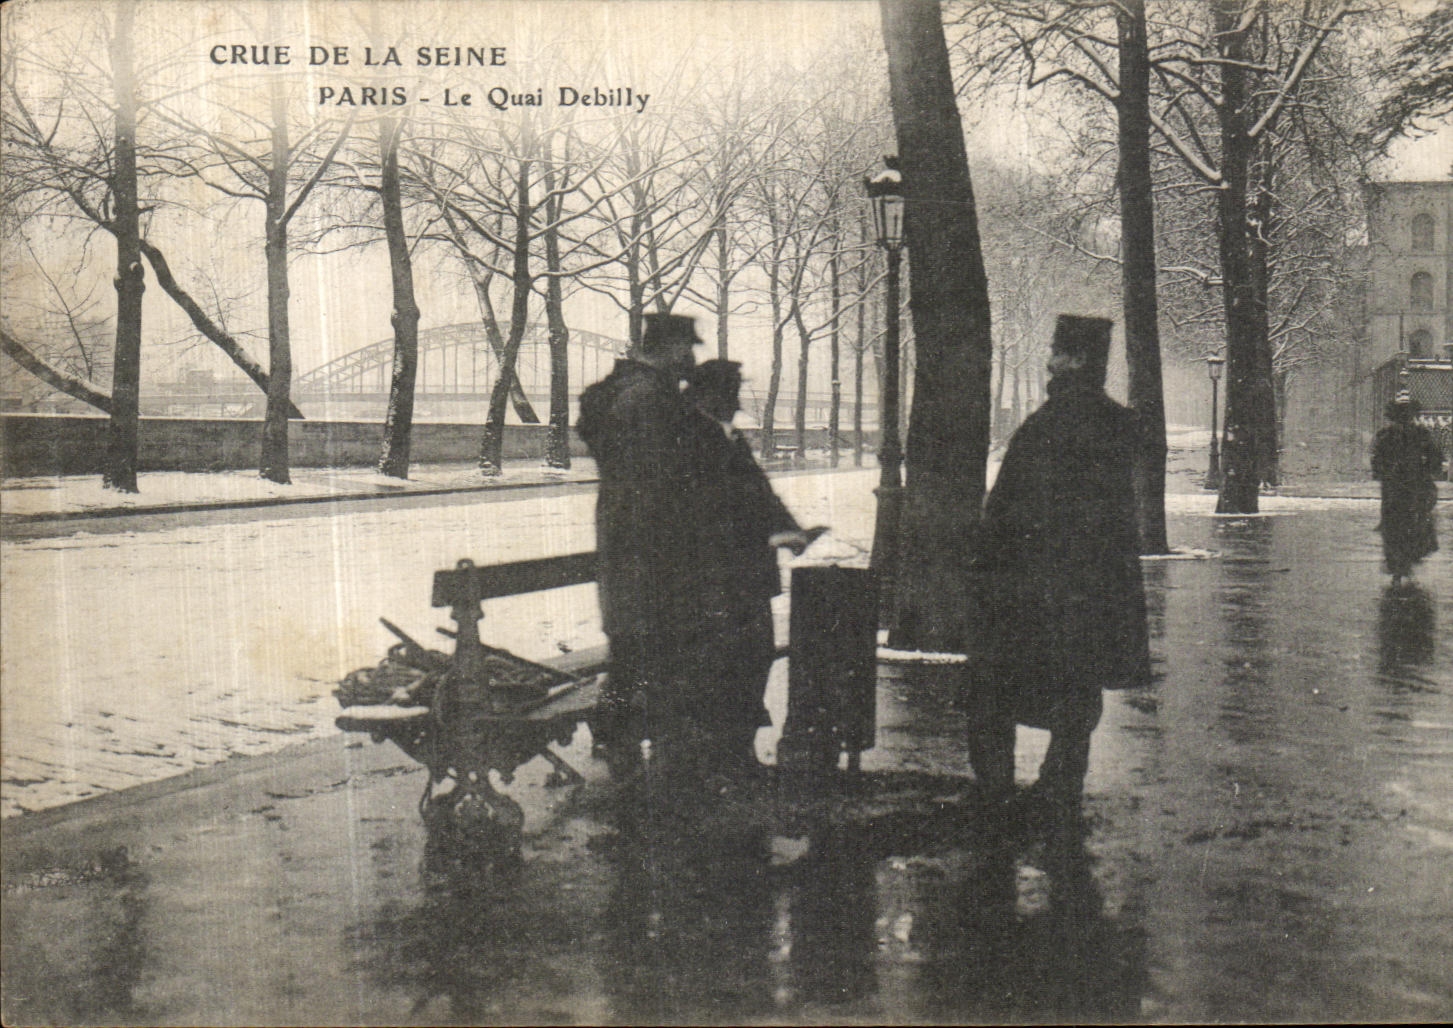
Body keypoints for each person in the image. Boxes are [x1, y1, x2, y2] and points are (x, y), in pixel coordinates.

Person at [967, 314, 1152, 817]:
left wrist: (986, 567)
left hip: (1028, 586)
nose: (1049, 357)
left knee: (993, 692)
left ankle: (995, 792)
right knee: (1077, 692)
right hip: (1091, 590)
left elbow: (1007, 510)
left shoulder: (1044, 426)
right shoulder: (1119, 425)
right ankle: (1059, 788)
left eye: (1056, 350)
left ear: (1071, 360)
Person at [576, 312, 704, 775]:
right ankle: (621, 742)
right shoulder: (647, 398)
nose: (691, 358)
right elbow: (660, 476)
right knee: (644, 645)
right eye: (686, 349)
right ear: (666, 349)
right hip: (650, 543)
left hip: (627, 536)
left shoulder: (625, 392)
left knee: (632, 645)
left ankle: (617, 737)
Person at [683, 359, 813, 773]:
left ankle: (739, 750)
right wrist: (771, 534)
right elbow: (707, 512)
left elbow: (760, 495)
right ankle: (723, 757)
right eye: (731, 391)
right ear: (709, 395)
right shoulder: (689, 439)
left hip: (746, 577)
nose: (737, 400)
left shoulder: (728, 438)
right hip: (715, 581)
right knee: (727, 664)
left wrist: (791, 531)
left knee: (753, 658)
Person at [1371, 390, 1444, 585]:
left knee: (1395, 526)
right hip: (1413, 486)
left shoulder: (1386, 435)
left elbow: (1377, 462)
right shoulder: (1421, 434)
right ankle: (1408, 558)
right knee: (1414, 522)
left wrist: (1385, 474)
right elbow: (1436, 459)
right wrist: (1426, 471)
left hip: (1396, 488)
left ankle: (1398, 564)